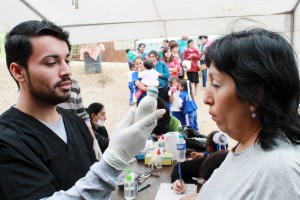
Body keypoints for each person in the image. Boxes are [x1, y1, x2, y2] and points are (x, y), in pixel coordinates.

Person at [0, 20, 165, 199]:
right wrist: (114, 160)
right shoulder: (7, 141)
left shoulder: (76, 122)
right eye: (51, 62)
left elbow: (95, 184)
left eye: (67, 60)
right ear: (18, 71)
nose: (66, 70)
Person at [198, 28, 300, 199]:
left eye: (215, 84)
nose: (206, 98)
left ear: (255, 95)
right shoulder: (246, 145)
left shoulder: (279, 171)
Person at [58, 79, 102, 160]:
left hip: (75, 140)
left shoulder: (74, 84)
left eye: (68, 65)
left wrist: (94, 140)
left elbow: (82, 115)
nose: (67, 70)